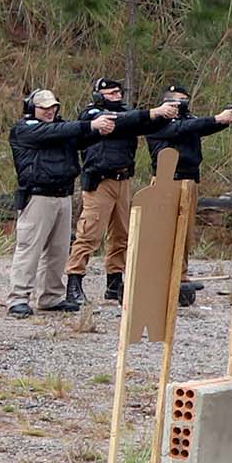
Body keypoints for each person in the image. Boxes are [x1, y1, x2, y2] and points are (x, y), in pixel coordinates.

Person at [6, 88, 115, 317]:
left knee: (58, 251)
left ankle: (52, 296)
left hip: (62, 195)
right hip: (37, 197)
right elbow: (61, 130)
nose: (49, 111)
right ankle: (18, 298)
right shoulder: (25, 129)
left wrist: (100, 130)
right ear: (31, 108)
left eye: (53, 107)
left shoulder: (60, 129)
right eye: (44, 107)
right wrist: (90, 126)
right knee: (29, 250)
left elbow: (76, 135)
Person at [64, 77, 167, 307]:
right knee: (89, 234)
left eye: (118, 93)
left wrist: (162, 115)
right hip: (100, 181)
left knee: (122, 235)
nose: (117, 97)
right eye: (111, 93)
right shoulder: (92, 115)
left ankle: (114, 283)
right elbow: (121, 121)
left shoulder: (127, 114)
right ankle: (74, 281)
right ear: (99, 95)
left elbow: (142, 123)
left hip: (123, 180)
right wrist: (152, 112)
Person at [144, 87, 232, 297]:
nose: (184, 104)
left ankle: (180, 274)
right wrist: (216, 118)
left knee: (185, 232)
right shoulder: (158, 121)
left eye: (185, 100)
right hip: (167, 181)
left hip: (189, 179)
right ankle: (158, 275)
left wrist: (222, 122)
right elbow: (182, 129)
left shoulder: (188, 120)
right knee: (164, 231)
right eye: (180, 101)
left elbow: (198, 127)